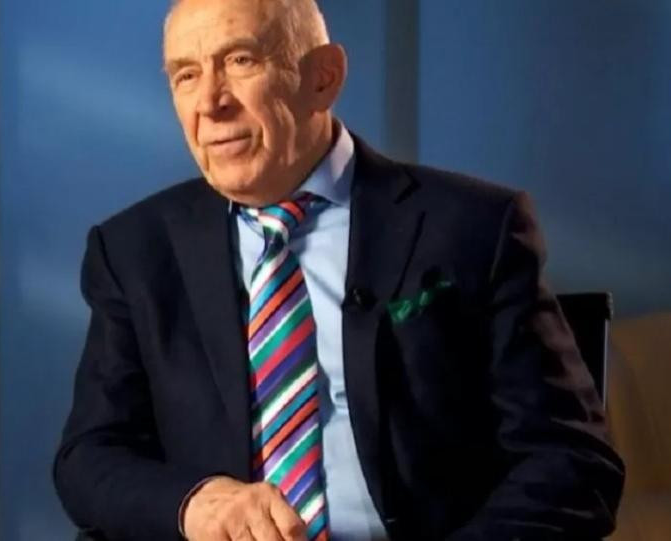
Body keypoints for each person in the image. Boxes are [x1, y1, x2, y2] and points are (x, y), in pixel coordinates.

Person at [53, 0, 625, 539]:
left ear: (323, 78)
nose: (209, 102)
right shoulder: (134, 251)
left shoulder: (475, 228)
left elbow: (573, 461)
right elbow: (89, 457)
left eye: (240, 60)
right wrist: (196, 505)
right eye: (185, 75)